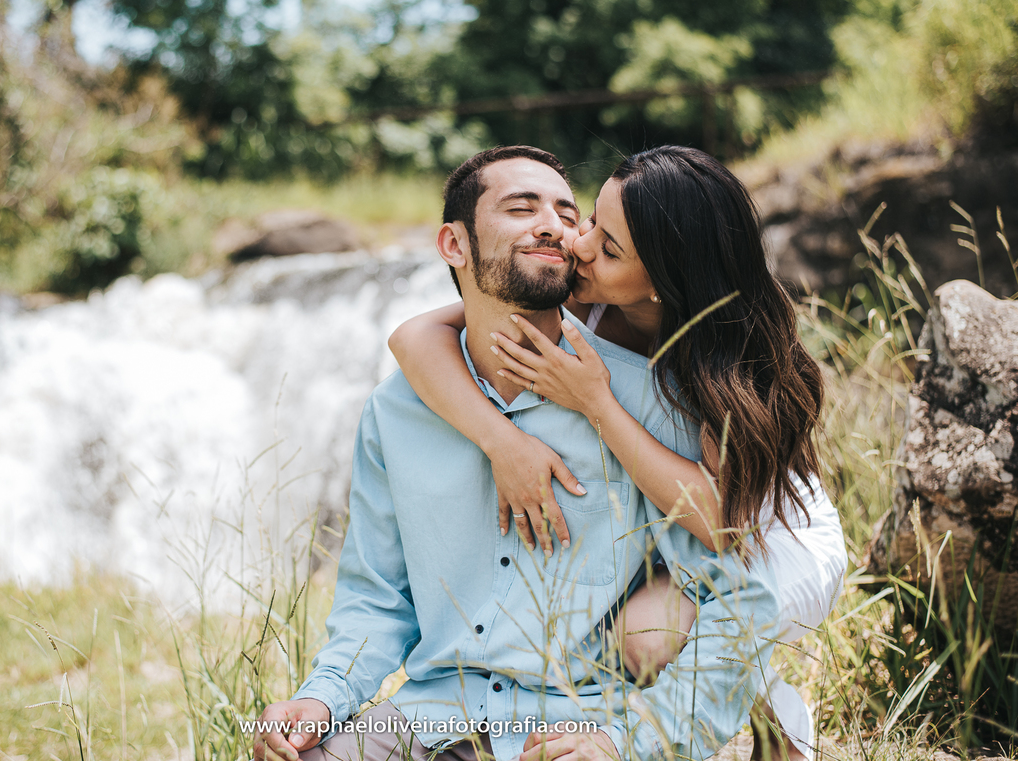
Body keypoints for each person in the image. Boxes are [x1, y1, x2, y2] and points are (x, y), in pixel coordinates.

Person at [254, 146, 785, 761]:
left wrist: (629, 743)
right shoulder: (396, 411)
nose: (554, 225)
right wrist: (321, 698)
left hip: (577, 724)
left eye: (567, 212)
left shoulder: (648, 404)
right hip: (429, 715)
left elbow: (740, 600)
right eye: (521, 207)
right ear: (454, 244)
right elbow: (376, 598)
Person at [388, 146, 846, 761]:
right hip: (668, 533)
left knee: (647, 637)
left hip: (771, 540)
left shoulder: (733, 356)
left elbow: (722, 522)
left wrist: (596, 401)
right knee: (606, 630)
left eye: (608, 248)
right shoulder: (582, 296)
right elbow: (414, 336)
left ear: (661, 280)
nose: (577, 245)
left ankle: (772, 728)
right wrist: (504, 442)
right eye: (591, 221)